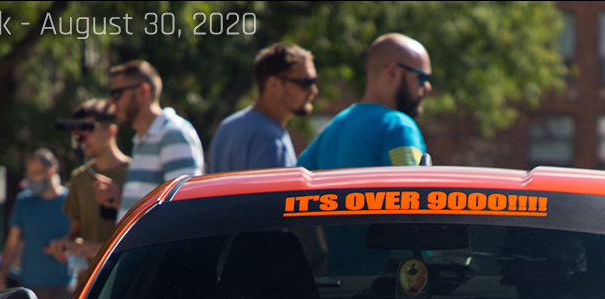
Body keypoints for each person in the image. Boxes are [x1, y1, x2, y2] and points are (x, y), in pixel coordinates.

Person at [295, 33, 432, 171]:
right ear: (392, 72)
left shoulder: (332, 129)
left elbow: (296, 179)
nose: (427, 87)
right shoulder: (398, 126)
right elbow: (412, 189)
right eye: (421, 77)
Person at [110, 61, 205, 220]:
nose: (112, 102)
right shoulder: (144, 138)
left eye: (117, 94)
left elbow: (187, 208)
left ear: (143, 91)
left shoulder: (172, 133)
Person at [207, 43, 318, 174]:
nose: (313, 91)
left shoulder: (227, 127)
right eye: (305, 83)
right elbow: (274, 195)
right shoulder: (271, 140)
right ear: (274, 84)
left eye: (313, 81)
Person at [0, 149, 72, 299]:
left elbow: (80, 237)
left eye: (35, 173)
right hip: (31, 288)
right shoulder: (24, 201)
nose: (31, 179)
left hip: (64, 287)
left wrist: (64, 245)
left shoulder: (71, 200)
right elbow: (12, 242)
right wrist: (1, 277)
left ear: (50, 172)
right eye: (29, 173)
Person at [56, 99, 129, 266]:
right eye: (78, 131)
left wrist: (98, 249)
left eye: (88, 129)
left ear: (111, 131)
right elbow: (76, 232)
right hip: (87, 282)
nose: (82, 137)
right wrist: (64, 244)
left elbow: (143, 235)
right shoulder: (79, 178)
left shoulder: (135, 174)